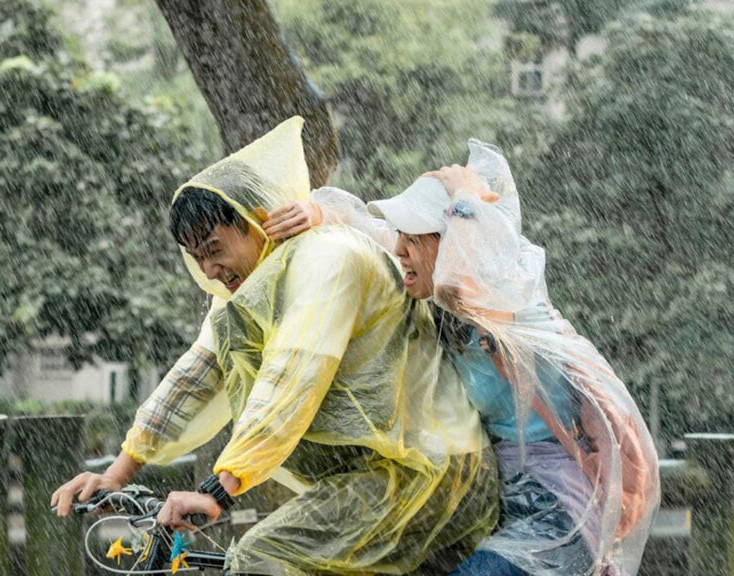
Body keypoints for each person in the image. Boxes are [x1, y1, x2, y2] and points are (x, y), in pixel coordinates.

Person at [51, 117, 500, 575]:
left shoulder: (327, 258)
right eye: (198, 257)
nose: (209, 269)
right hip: (372, 480)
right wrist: (115, 475)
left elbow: (292, 376)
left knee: (260, 557)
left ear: (257, 222)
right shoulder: (246, 296)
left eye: (215, 248)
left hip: (431, 471)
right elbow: (195, 376)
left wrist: (218, 490)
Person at [266, 140, 660, 575]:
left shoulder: (509, 292)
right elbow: (364, 224)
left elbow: (454, 286)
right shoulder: (441, 282)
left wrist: (466, 196)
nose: (398, 250)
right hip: (505, 498)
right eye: (401, 237)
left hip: (563, 507)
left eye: (413, 239)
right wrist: (319, 214)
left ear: (451, 240)